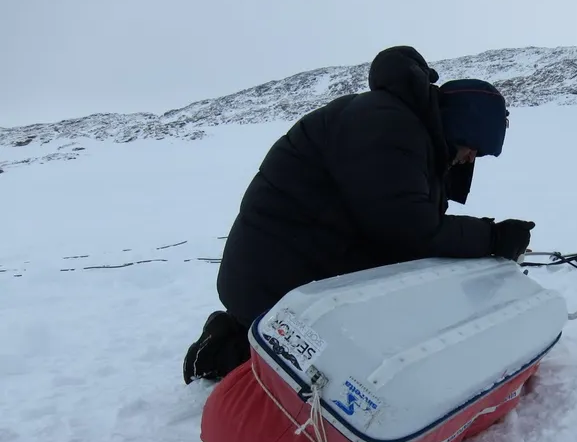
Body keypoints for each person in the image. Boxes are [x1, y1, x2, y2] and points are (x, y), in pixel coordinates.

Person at [182, 45, 535, 384]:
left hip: (307, 266)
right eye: (474, 148)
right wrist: (492, 237)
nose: (471, 159)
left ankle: (249, 335)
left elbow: (412, 224)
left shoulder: (410, 132)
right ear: (460, 126)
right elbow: (410, 231)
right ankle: (223, 348)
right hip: (273, 279)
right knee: (334, 372)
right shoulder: (388, 125)